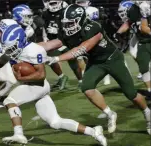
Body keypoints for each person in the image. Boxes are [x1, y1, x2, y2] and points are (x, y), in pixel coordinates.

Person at [0, 24, 107, 146]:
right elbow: (0, 62)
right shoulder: (14, 49)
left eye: (11, 47)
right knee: (55, 122)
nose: (9, 50)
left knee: (9, 100)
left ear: (20, 41)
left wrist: (21, 77)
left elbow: (41, 75)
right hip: (35, 87)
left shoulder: (34, 50)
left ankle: (19, 134)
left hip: (38, 86)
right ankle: (94, 131)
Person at [49, 4, 150, 134]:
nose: (68, 27)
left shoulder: (93, 27)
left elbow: (82, 49)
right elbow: (55, 43)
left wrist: (57, 59)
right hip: (96, 62)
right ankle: (110, 113)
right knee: (87, 88)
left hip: (113, 59)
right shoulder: (68, 31)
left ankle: (148, 114)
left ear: (81, 20)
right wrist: (33, 48)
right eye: (66, 24)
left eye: (71, 23)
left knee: (131, 94)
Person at [0, 4, 35, 108]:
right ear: (19, 16)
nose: (29, 19)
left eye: (29, 16)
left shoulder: (29, 30)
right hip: (1, 52)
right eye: (27, 16)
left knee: (13, 78)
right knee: (4, 79)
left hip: (14, 54)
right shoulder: (8, 23)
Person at [43, 0, 84, 91]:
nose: (53, 5)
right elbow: (44, 26)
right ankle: (62, 77)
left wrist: (58, 31)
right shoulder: (45, 14)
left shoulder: (66, 11)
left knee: (73, 60)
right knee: (49, 59)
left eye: (54, 3)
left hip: (66, 40)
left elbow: (72, 27)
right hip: (53, 41)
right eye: (51, 3)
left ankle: (81, 81)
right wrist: (45, 36)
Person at [115, 1, 151, 93]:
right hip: (143, 41)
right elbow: (129, 22)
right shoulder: (134, 9)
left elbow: (144, 28)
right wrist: (119, 32)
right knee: (143, 67)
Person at [76, 0, 112, 85]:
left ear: (88, 2)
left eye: (82, 2)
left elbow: (96, 25)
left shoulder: (92, 10)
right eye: (79, 3)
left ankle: (106, 75)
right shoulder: (75, 12)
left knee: (100, 56)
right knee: (79, 57)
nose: (81, 5)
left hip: (93, 35)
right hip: (81, 37)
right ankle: (85, 78)